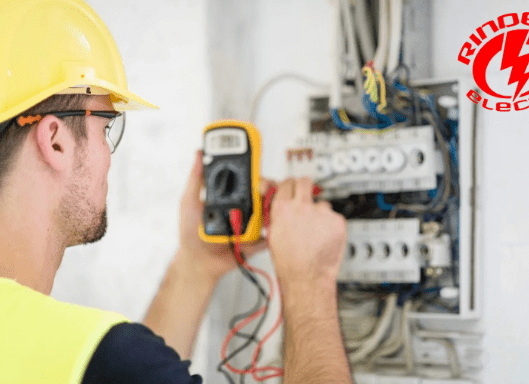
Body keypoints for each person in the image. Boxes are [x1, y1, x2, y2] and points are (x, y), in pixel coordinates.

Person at [0, 0, 353, 383]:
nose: (108, 154)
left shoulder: (83, 358)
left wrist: (195, 266)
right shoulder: (97, 358)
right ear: (55, 142)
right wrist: (309, 282)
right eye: (106, 127)